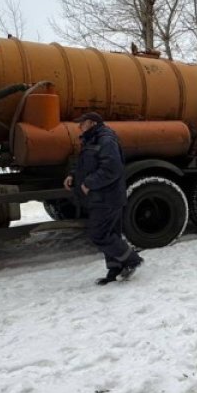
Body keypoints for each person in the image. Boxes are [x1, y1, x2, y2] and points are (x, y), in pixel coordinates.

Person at [64, 112, 142, 284]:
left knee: (98, 233)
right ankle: (115, 269)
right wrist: (73, 175)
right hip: (101, 196)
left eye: (82, 123)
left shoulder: (106, 140)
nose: (79, 126)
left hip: (108, 197)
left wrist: (89, 183)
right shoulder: (91, 139)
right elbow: (85, 164)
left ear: (92, 123)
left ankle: (132, 260)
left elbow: (112, 168)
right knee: (110, 233)